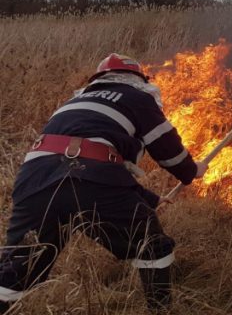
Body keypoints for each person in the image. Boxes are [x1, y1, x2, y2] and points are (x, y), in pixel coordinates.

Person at [0, 53, 207, 312]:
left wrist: (151, 200)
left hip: (34, 180)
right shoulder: (137, 97)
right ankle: (161, 310)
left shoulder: (74, 102)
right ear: (137, 79)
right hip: (92, 177)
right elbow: (166, 149)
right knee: (151, 245)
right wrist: (191, 171)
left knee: (20, 266)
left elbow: (95, 160)